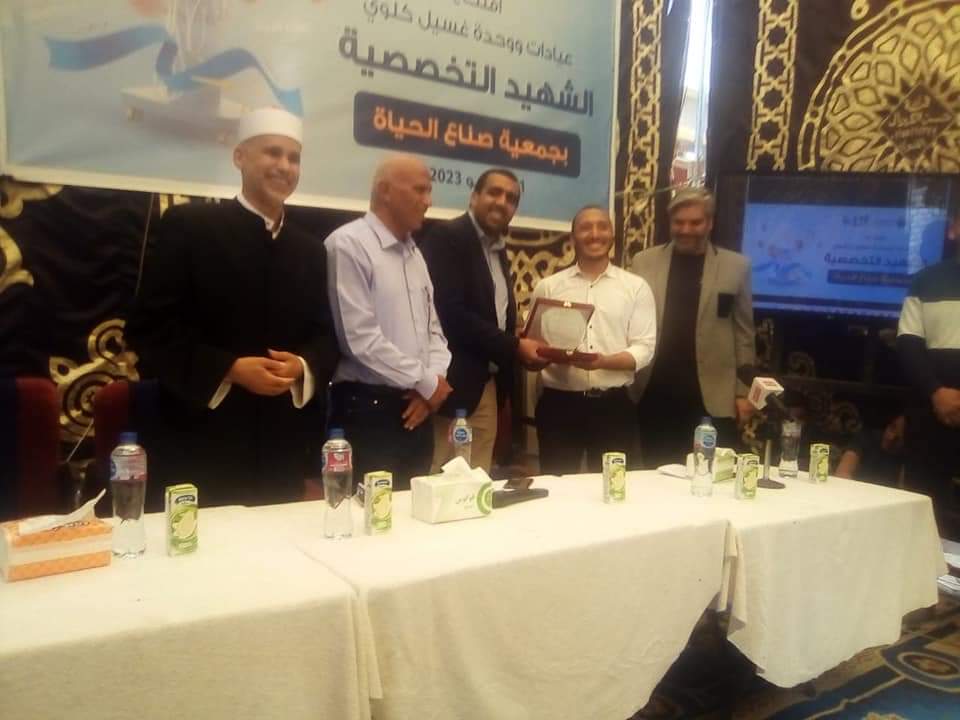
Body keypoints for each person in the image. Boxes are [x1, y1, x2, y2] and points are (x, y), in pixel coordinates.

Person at [127, 106, 339, 509]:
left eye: (294, 158)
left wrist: (301, 366)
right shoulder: (190, 227)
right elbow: (149, 329)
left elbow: (326, 337)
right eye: (272, 153)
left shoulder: (310, 250)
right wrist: (230, 369)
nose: (284, 166)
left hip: (280, 450)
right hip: (200, 441)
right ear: (239, 157)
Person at [325, 154, 452, 490]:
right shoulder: (348, 245)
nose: (428, 201)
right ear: (384, 191)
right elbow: (359, 340)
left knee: (414, 511)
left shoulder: (415, 254)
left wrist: (432, 385)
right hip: (368, 411)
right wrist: (427, 383)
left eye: (429, 191)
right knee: (368, 513)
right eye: (420, 190)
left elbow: (434, 332)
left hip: (418, 408)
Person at [419, 168, 546, 473]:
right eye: (494, 193)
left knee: (477, 480)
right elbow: (449, 314)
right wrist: (514, 345)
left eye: (511, 198)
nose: (502, 202)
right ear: (474, 196)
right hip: (451, 386)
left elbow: (490, 313)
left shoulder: (497, 250)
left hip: (487, 386)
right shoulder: (446, 237)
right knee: (442, 480)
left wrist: (514, 336)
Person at [630, 187, 755, 468]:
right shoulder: (643, 262)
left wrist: (743, 392)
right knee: (655, 475)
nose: (686, 229)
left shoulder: (737, 267)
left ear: (710, 223)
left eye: (695, 222)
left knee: (710, 476)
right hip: (654, 391)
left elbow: (744, 335)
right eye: (679, 222)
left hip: (712, 395)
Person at [530, 206, 656, 474]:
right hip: (559, 404)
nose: (595, 234)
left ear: (612, 235)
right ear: (572, 238)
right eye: (586, 228)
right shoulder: (548, 287)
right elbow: (534, 345)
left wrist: (603, 362)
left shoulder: (636, 287)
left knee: (612, 486)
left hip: (613, 406)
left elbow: (644, 348)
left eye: (602, 227)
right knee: (557, 484)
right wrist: (543, 355)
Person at [897, 225, 960, 538]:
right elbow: (908, 344)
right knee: (924, 518)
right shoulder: (926, 280)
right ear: (954, 229)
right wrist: (936, 393)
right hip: (931, 415)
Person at [835, 414, 905, 486]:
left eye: (898, 438)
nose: (891, 437)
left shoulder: (905, 458)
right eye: (892, 428)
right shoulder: (866, 437)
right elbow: (842, 473)